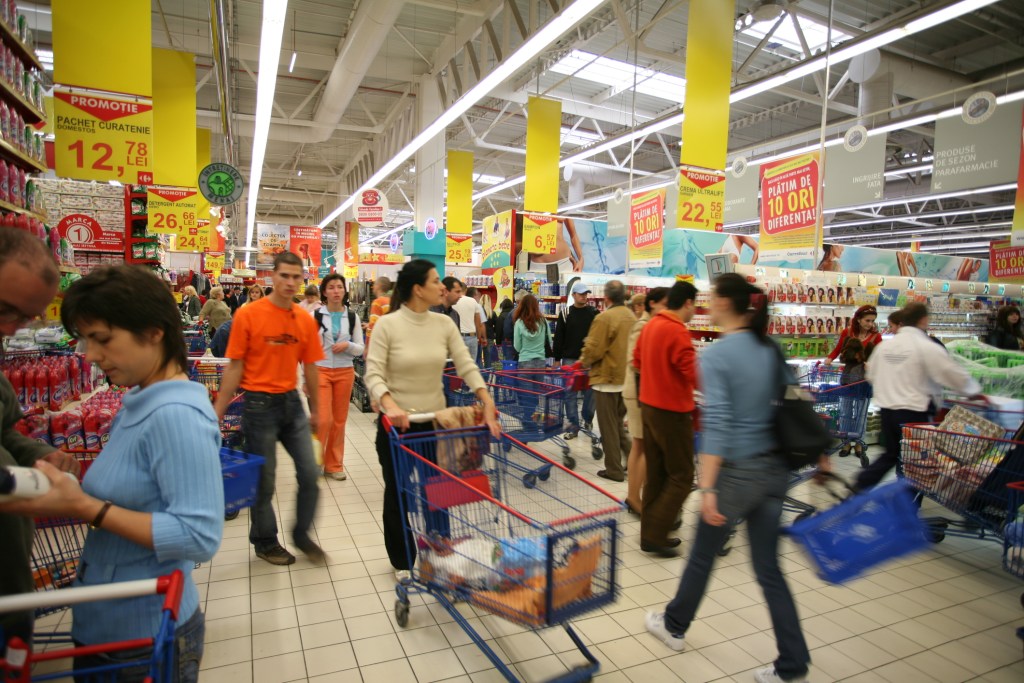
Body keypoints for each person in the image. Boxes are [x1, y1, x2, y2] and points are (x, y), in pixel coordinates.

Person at [1, 265, 223, 679]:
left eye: (102, 339)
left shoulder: (176, 415)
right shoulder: (138, 402)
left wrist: (87, 508)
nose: (89, 355)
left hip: (143, 639)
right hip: (110, 630)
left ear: (154, 331)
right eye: (85, 340)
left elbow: (199, 536)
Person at [645, 273, 813, 683]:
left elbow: (717, 423)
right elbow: (797, 399)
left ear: (723, 303)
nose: (706, 302)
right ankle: (792, 662)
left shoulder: (718, 355)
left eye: (711, 296)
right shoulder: (769, 346)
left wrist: (707, 487)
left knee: (703, 554)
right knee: (769, 569)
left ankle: (674, 625)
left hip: (737, 474)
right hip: (775, 471)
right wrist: (822, 453)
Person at [364, 259, 499, 578]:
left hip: (434, 425)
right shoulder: (388, 325)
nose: (442, 286)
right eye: (436, 281)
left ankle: (440, 552)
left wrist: (486, 399)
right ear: (417, 289)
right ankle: (403, 561)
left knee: (437, 491)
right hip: (397, 426)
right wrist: (389, 404)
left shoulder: (443, 324)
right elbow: (374, 373)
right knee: (399, 492)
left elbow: (466, 364)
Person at [214, 252, 326, 566]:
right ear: (272, 277)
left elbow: (311, 367)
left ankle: (301, 535)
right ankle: (265, 542)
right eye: (284, 275)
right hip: (258, 405)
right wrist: (218, 409)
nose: (290, 282)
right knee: (264, 483)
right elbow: (235, 365)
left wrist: (317, 409)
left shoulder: (304, 319)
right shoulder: (249, 315)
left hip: (292, 404)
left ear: (302, 280)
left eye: (296, 277)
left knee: (310, 473)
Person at [0, 228, 81, 646]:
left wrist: (36, 453)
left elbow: (5, 432)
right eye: (5, 310)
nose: (10, 329)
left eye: (26, 318)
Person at [857, 302, 983, 492]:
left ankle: (859, 485)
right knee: (918, 462)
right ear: (923, 320)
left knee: (891, 454)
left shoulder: (885, 347)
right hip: (915, 414)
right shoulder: (926, 346)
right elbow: (951, 374)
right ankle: (908, 504)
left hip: (887, 411)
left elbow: (871, 375)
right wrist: (973, 392)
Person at [632, 282, 698, 557]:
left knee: (657, 474)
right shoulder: (677, 330)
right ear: (688, 303)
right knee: (682, 475)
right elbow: (693, 373)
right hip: (672, 411)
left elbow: (636, 361)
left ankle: (649, 534)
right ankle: (657, 534)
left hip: (649, 406)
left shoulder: (651, 326)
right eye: (695, 306)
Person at [580, 281, 635, 482]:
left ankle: (614, 470)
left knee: (608, 428)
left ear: (606, 297)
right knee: (618, 425)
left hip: (607, 380)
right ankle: (636, 463)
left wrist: (582, 361)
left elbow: (594, 349)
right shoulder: (631, 317)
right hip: (626, 379)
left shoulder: (604, 318)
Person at [314, 273, 365, 481]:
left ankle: (334, 465)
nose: (336, 291)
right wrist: (305, 380)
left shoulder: (352, 317)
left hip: (345, 371)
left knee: (339, 421)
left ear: (345, 291)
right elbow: (307, 348)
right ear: (324, 292)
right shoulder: (315, 316)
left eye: (339, 287)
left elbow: (360, 348)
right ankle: (315, 463)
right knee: (323, 420)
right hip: (320, 370)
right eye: (331, 287)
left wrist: (348, 345)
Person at [623, 287, 668, 515]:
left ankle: (639, 495)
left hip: (644, 392)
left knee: (643, 445)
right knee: (641, 445)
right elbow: (635, 361)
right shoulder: (643, 325)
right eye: (665, 304)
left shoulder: (653, 324)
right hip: (638, 393)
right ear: (653, 304)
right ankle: (634, 497)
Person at [553, 282, 598, 438]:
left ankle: (588, 418)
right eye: (581, 294)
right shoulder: (565, 313)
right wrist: (557, 359)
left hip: (589, 361)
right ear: (573, 295)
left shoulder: (594, 312)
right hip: (570, 360)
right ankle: (573, 425)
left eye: (586, 294)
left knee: (590, 393)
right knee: (570, 394)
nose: (584, 296)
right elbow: (559, 337)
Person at [449, 277, 485, 363]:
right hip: (472, 337)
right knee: (471, 364)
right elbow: (478, 323)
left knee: (457, 364)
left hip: (457, 337)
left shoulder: (452, 302)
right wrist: (479, 337)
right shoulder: (472, 301)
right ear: (466, 290)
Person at [513, 294, 550, 370]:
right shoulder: (543, 321)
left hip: (524, 360)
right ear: (536, 306)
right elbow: (549, 340)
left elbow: (517, 346)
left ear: (522, 306)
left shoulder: (519, 323)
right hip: (540, 360)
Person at [365, 275, 392, 343]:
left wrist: (367, 345)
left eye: (374, 284)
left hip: (379, 341)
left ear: (378, 286)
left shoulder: (377, 302)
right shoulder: (391, 301)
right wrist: (368, 324)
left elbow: (372, 327)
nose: (373, 287)